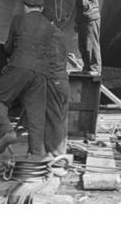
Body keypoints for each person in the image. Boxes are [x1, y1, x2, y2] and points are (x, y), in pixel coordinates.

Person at [0, 0, 53, 157]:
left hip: (20, 65)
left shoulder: (18, 20)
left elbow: (8, 47)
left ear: (25, 7)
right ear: (42, 9)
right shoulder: (49, 26)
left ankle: (7, 131)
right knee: (36, 114)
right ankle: (37, 153)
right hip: (41, 71)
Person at [56, 0, 101, 75]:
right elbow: (79, 7)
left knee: (92, 45)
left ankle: (95, 69)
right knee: (83, 45)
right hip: (83, 20)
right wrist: (77, 22)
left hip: (91, 19)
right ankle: (87, 67)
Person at [45, 24, 69, 156]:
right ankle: (61, 152)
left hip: (52, 80)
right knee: (62, 119)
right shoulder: (63, 36)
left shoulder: (47, 37)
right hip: (63, 80)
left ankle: (54, 155)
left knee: (52, 118)